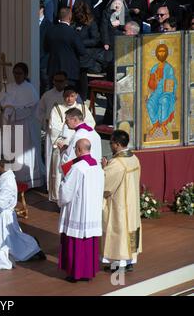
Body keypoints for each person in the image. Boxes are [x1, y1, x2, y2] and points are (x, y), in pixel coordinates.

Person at [58, 139, 104, 282]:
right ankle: (87, 272)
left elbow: (67, 192)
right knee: (89, 242)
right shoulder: (97, 166)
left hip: (78, 211)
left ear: (78, 149)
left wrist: (61, 186)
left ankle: (75, 273)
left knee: (75, 241)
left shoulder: (78, 167)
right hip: (92, 211)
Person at [0, 62, 46, 188]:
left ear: (25, 74)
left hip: (23, 126)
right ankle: (11, 179)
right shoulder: (8, 87)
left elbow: (30, 108)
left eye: (19, 73)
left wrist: (13, 112)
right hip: (10, 126)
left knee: (23, 153)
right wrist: (3, 108)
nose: (17, 76)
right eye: (15, 73)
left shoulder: (29, 89)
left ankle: (27, 181)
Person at [101, 130, 142, 272]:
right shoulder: (134, 158)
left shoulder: (117, 163)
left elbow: (105, 185)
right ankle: (130, 261)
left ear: (118, 144)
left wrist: (104, 168)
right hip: (132, 204)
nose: (110, 145)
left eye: (111, 142)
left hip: (120, 205)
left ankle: (120, 264)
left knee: (120, 232)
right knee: (132, 231)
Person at [46, 86, 95, 202]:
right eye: (67, 96)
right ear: (63, 96)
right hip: (63, 146)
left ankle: (77, 196)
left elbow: (91, 124)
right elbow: (54, 128)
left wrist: (80, 135)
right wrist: (61, 143)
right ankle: (60, 198)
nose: (69, 99)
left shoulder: (83, 108)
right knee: (61, 173)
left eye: (72, 96)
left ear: (76, 96)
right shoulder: (57, 109)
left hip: (80, 147)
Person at [0, 160, 45, 262]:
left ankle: (33, 246)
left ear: (2, 166)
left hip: (4, 215)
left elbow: (2, 202)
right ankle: (32, 246)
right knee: (12, 238)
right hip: (4, 214)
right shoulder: (6, 175)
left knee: (13, 239)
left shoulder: (8, 181)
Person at [44, 7, 86, 89]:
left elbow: (46, 48)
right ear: (70, 17)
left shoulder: (50, 30)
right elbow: (82, 51)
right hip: (69, 72)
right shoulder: (72, 33)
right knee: (67, 98)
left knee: (54, 96)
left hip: (53, 70)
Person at [146, 43, 177, 137]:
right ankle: (155, 125)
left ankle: (163, 125)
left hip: (167, 92)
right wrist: (155, 80)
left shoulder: (169, 68)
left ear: (166, 53)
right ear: (156, 54)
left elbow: (170, 84)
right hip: (157, 92)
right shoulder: (154, 68)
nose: (161, 53)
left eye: (163, 51)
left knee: (163, 101)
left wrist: (166, 92)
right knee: (150, 103)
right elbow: (151, 85)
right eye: (159, 51)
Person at [72, 1, 101, 101]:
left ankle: (83, 98)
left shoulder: (91, 23)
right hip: (74, 54)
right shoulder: (75, 22)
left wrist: (80, 42)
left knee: (82, 76)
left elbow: (95, 40)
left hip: (86, 55)